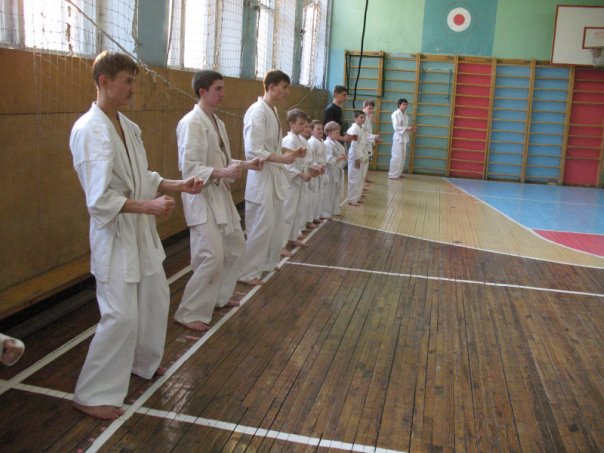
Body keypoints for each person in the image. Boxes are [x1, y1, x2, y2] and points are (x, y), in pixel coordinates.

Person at [69, 51, 203, 420]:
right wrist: (148, 207)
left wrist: (178, 185)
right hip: (114, 236)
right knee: (120, 316)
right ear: (104, 81)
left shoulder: (128, 126)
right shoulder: (89, 130)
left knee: (156, 297)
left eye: (133, 81)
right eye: (127, 81)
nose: (132, 88)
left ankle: (142, 362)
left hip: (140, 233)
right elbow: (99, 200)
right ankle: (91, 393)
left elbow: (143, 177)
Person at [174, 70, 264, 332]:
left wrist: (247, 164)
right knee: (211, 255)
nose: (223, 94)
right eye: (218, 89)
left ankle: (219, 298)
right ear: (202, 92)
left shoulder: (217, 122)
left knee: (235, 246)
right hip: (200, 195)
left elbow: (222, 162)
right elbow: (189, 167)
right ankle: (189, 311)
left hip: (219, 194)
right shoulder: (192, 122)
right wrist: (223, 173)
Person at [238, 70, 306, 286]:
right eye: (284, 87)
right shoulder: (257, 112)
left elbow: (273, 147)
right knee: (260, 227)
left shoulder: (272, 111)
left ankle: (266, 263)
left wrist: (291, 152)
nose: (287, 92)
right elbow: (254, 150)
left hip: (274, 177)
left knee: (274, 226)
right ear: (271, 86)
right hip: (261, 177)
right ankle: (247, 272)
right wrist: (283, 159)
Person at [281, 109, 312, 253]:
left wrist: (309, 171)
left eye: (305, 124)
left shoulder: (299, 139)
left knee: (297, 211)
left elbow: (303, 161)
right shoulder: (289, 140)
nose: (304, 127)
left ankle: (292, 238)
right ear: (291, 124)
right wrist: (300, 174)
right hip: (290, 183)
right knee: (287, 213)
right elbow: (286, 164)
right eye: (300, 124)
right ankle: (281, 245)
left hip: (298, 182)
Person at [324, 121, 347, 215]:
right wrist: (339, 158)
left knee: (336, 191)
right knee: (329, 191)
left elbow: (342, 153)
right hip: (330, 171)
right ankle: (327, 212)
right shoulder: (327, 144)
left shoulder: (336, 143)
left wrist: (344, 157)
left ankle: (335, 209)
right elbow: (328, 159)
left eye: (339, 132)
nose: (338, 134)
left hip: (338, 169)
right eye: (336, 132)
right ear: (329, 132)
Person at [307, 120, 328, 220]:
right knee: (312, 196)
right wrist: (316, 166)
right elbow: (309, 158)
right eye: (318, 129)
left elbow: (324, 157)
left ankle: (316, 216)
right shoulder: (311, 142)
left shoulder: (322, 141)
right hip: (314, 171)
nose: (321, 131)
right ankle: (309, 219)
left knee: (320, 195)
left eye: (322, 129)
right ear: (311, 131)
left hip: (321, 171)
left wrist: (323, 166)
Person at [346, 110, 367, 206]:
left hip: (361, 154)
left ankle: (357, 197)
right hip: (355, 156)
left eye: (364, 117)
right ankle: (352, 200)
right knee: (354, 178)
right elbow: (354, 145)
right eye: (361, 117)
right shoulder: (354, 129)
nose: (363, 119)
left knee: (360, 178)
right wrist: (357, 158)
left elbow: (362, 143)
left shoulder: (361, 128)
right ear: (355, 118)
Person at [388, 98, 413, 179]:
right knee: (396, 156)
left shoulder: (405, 114)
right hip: (398, 137)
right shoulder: (395, 114)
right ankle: (392, 174)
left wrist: (410, 128)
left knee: (402, 156)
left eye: (406, 105)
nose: (405, 106)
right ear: (399, 105)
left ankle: (398, 173)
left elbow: (405, 126)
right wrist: (407, 128)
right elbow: (396, 127)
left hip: (403, 137)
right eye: (403, 104)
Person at [361, 100, 380, 184]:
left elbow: (367, 132)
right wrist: (374, 137)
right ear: (364, 107)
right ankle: (361, 182)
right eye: (369, 108)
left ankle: (364, 178)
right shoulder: (362, 117)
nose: (371, 110)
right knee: (363, 163)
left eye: (372, 109)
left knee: (366, 162)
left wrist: (374, 138)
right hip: (362, 144)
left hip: (367, 143)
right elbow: (362, 133)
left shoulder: (367, 117)